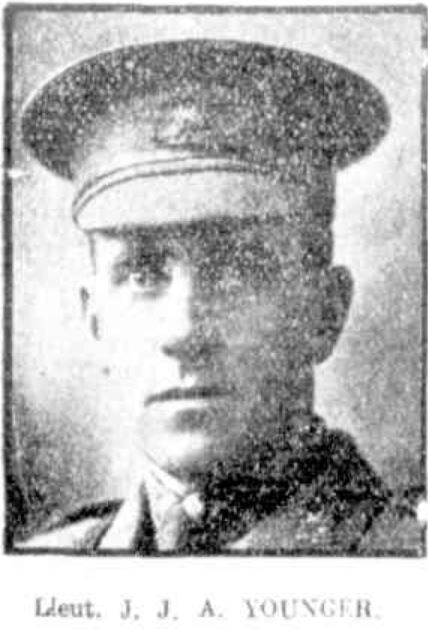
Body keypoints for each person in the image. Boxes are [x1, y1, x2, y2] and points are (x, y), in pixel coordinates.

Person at [16, 40, 421, 554]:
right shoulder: (41, 565)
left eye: (238, 270)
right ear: (94, 318)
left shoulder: (405, 560)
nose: (184, 331)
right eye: (142, 274)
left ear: (325, 312)